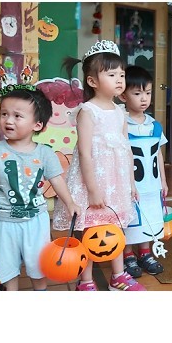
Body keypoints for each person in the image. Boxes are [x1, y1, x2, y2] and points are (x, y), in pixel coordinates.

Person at [0, 85, 81, 291]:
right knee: (5, 270)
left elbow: (57, 181)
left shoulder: (45, 153)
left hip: (36, 221)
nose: (8, 120)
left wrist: (70, 203)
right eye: (4, 114)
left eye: (17, 116)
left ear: (37, 125)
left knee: (38, 267)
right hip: (2, 221)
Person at [52, 40, 145, 291]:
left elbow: (126, 150)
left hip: (116, 182)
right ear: (93, 81)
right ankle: (86, 281)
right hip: (92, 182)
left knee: (115, 227)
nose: (119, 79)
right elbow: (84, 152)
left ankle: (118, 276)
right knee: (91, 230)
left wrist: (131, 184)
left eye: (121, 74)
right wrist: (93, 189)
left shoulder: (120, 112)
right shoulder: (88, 111)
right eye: (112, 75)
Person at [118, 65, 167, 277]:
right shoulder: (121, 124)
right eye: (137, 93)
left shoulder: (154, 125)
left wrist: (163, 181)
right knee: (131, 218)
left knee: (150, 215)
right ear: (123, 96)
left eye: (147, 92)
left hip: (152, 183)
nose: (144, 98)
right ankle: (128, 254)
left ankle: (145, 252)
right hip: (130, 183)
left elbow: (158, 154)